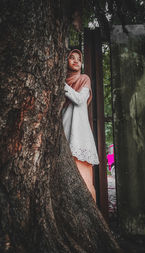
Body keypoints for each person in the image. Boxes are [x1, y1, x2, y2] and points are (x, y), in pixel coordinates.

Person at [62, 49, 99, 201]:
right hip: (65, 132)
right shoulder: (64, 81)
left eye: (79, 58)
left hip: (80, 136)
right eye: (72, 57)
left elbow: (79, 99)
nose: (76, 60)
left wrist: (62, 85)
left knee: (85, 184)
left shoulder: (84, 78)